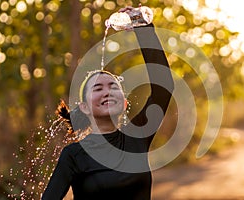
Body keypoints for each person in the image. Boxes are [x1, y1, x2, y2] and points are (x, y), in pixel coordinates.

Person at [42, 7, 174, 200]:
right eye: (97, 89)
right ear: (85, 107)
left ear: (124, 102)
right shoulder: (74, 155)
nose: (107, 91)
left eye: (113, 86)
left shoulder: (138, 136)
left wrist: (143, 28)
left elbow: (163, 86)